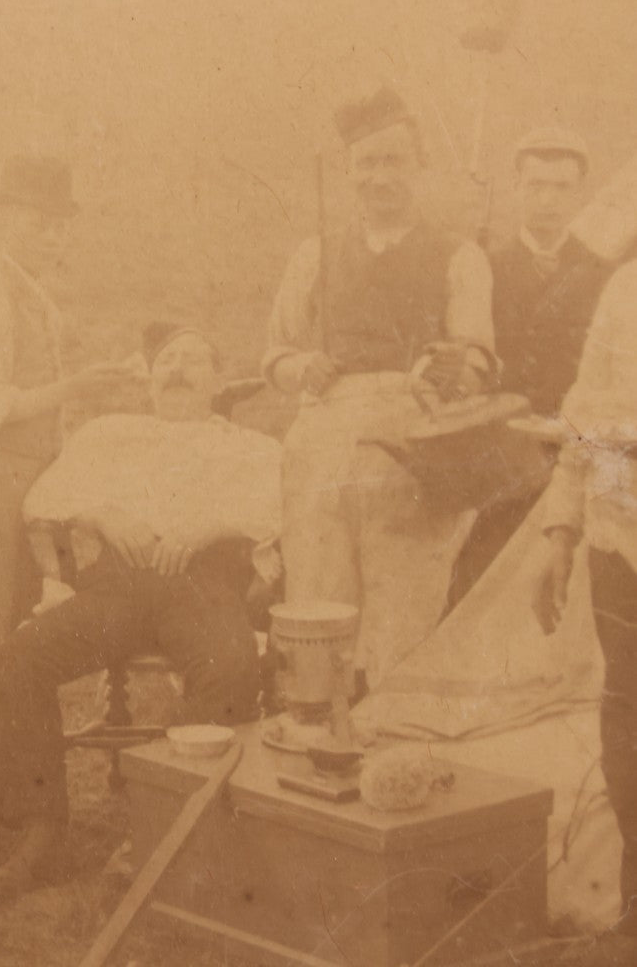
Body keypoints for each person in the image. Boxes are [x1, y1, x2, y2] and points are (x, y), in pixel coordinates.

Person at [0, 323, 278, 896]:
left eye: (195, 359)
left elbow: (278, 508)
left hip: (202, 586)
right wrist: (104, 515)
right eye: (167, 359)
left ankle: (155, 824)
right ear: (150, 381)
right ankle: (41, 831)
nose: (179, 367)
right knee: (23, 656)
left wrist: (210, 526)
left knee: (234, 669)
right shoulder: (111, 433)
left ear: (219, 383)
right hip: (117, 589)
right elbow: (46, 498)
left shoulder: (248, 446)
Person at [263, 84, 496, 690]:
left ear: (419, 166)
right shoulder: (313, 254)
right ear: (348, 172)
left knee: (402, 613)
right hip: (323, 445)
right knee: (317, 605)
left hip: (410, 443)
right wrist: (300, 367)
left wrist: (457, 370)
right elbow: (276, 354)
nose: (380, 177)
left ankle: (392, 750)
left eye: (394, 160)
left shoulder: (459, 256)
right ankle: (314, 741)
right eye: (367, 163)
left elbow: (478, 358)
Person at [0, 155, 129, 815]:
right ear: (2, 219)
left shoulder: (38, 301)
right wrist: (73, 388)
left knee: (19, 636)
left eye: (58, 226)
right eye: (38, 223)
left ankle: (1, 787)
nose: (51, 237)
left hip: (32, 481)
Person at [448, 127, 613, 605]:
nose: (548, 200)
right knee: (486, 578)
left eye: (562, 188)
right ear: (516, 188)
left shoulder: (601, 273)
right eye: (536, 186)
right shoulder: (483, 265)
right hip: (503, 450)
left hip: (572, 445)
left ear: (579, 193)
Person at [531, 260, 637, 967]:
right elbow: (585, 414)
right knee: (626, 725)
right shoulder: (625, 284)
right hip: (620, 540)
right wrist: (560, 533)